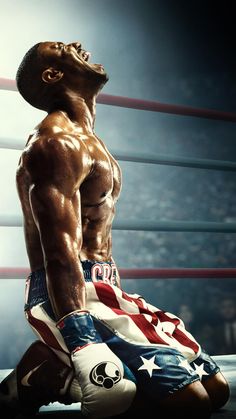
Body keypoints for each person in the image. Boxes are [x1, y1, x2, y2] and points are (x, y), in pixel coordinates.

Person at [0, 41, 230, 419]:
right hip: (70, 295)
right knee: (191, 404)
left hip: (107, 288)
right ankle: (58, 374)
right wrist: (81, 338)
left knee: (216, 391)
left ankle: (52, 365)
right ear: (53, 75)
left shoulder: (91, 141)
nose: (76, 45)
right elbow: (58, 252)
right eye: (61, 48)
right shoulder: (55, 143)